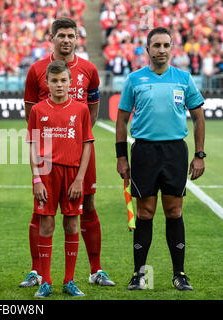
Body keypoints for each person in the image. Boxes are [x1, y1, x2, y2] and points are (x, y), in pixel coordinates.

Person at [22, 17, 114, 288]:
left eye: (70, 35)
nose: (66, 40)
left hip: (78, 151)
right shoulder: (37, 70)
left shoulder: (88, 69)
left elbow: (91, 111)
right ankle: (37, 272)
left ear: (77, 38)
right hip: (47, 156)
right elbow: (32, 116)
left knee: (87, 206)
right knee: (42, 211)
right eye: (60, 35)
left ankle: (95, 270)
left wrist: (76, 137)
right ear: (52, 38)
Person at [116, 27, 205, 291]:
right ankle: (138, 274)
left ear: (172, 48)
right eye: (156, 45)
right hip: (144, 152)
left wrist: (199, 155)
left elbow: (199, 117)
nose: (162, 50)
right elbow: (121, 119)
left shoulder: (184, 78)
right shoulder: (134, 79)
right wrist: (122, 156)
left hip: (175, 152)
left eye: (166, 45)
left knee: (174, 211)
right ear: (147, 50)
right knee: (145, 212)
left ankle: (180, 273)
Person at [27, 60, 94, 298]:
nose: (59, 85)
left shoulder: (81, 110)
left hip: (72, 174)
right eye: (54, 81)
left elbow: (87, 145)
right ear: (46, 83)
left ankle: (69, 281)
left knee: (72, 224)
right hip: (46, 174)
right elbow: (34, 146)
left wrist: (80, 180)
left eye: (63, 80)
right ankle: (46, 281)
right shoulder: (37, 110)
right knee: (46, 225)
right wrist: (36, 179)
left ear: (70, 82)